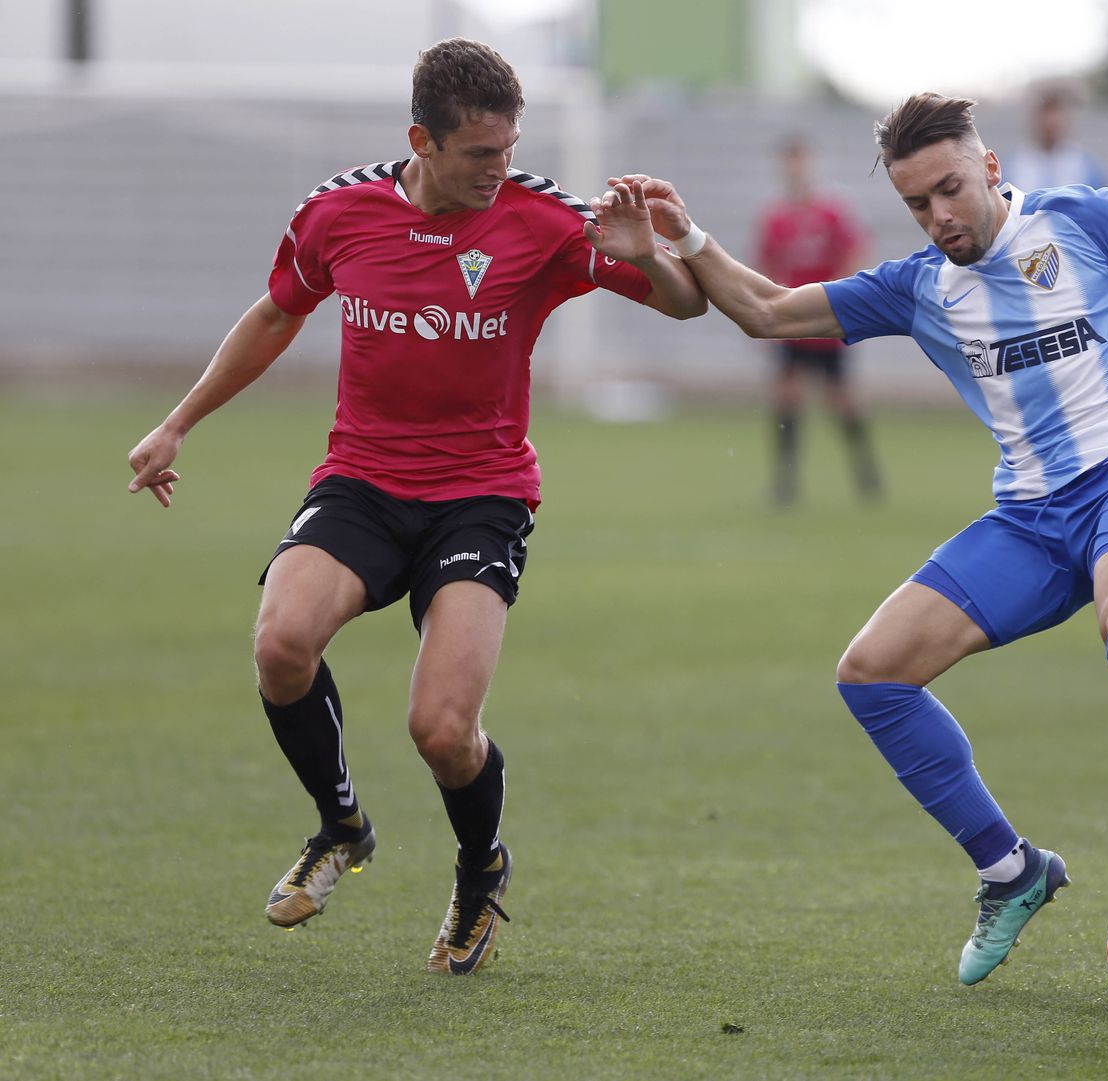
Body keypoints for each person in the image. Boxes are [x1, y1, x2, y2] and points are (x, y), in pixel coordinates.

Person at [594, 92, 1108, 985]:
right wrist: (685, 239)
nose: (939, 216)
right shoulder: (919, 286)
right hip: (1031, 518)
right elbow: (767, 312)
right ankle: (1010, 871)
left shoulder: (1086, 222)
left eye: (951, 190)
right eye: (917, 203)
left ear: (991, 169)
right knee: (871, 670)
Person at [126, 38, 704, 974]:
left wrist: (659, 252)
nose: (500, 170)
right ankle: (341, 826)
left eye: (509, 148)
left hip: (481, 496)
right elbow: (277, 312)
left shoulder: (543, 219)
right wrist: (178, 422)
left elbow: (683, 308)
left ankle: (481, 870)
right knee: (279, 643)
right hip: (361, 480)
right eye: (481, 153)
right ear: (421, 141)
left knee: (440, 729)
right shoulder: (338, 211)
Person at [754, 137, 883, 505]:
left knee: (843, 401)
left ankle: (866, 473)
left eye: (801, 160)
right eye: (789, 161)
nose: (795, 168)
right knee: (786, 400)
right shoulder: (775, 217)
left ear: (811, 164)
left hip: (825, 319)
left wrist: (836, 298)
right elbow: (765, 266)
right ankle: (785, 482)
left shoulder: (834, 211)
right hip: (792, 322)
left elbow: (857, 252)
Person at [1003, 83, 1108, 195]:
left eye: (1055, 112)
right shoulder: (1011, 167)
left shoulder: (1090, 169)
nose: (1050, 121)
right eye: (1045, 113)